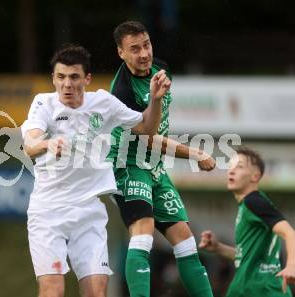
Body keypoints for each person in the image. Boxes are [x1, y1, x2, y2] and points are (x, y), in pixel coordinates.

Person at [21, 44, 172, 297]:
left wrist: (155, 99)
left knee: (96, 292)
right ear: (53, 79)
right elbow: (30, 144)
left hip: (88, 212)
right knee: (53, 291)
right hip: (48, 213)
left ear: (87, 79)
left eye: (74, 77)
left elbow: (147, 128)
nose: (67, 84)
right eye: (60, 77)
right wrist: (48, 143)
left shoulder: (104, 103)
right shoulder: (43, 104)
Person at [107, 20, 215, 297]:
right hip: (128, 166)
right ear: (121, 53)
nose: (144, 53)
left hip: (153, 167)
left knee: (186, 243)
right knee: (143, 233)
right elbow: (148, 134)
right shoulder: (121, 92)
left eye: (146, 45)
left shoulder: (160, 69)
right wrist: (195, 153)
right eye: (134, 49)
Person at [199, 147, 295, 297]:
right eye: (230, 167)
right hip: (249, 287)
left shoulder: (254, 201)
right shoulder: (249, 205)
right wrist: (218, 247)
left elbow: (290, 233)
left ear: (255, 176)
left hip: (260, 289)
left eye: (239, 167)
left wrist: (291, 266)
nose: (231, 171)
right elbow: (247, 256)